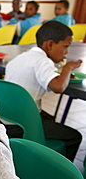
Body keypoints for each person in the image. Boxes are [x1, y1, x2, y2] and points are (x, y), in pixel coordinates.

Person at [5, 21, 83, 161]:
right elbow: (58, 86)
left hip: (5, 120)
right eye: (65, 47)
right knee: (74, 137)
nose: (66, 52)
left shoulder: (19, 58)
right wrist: (68, 68)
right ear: (50, 44)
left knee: (48, 118)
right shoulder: (42, 61)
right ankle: (58, 173)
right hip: (23, 124)